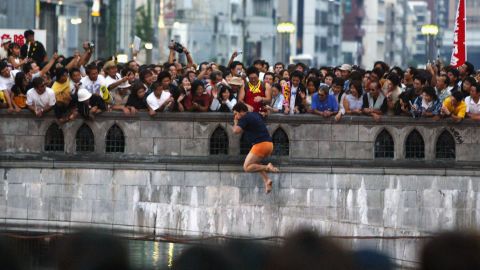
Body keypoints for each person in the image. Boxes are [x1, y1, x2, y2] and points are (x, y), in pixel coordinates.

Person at [232, 102, 279, 194]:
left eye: (236, 113)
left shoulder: (244, 118)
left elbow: (236, 131)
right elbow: (259, 111)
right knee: (256, 164)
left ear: (241, 111)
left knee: (247, 167)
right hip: (269, 145)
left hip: (260, 145)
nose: (236, 116)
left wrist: (235, 122)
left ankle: (268, 167)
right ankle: (267, 180)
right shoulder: (254, 114)